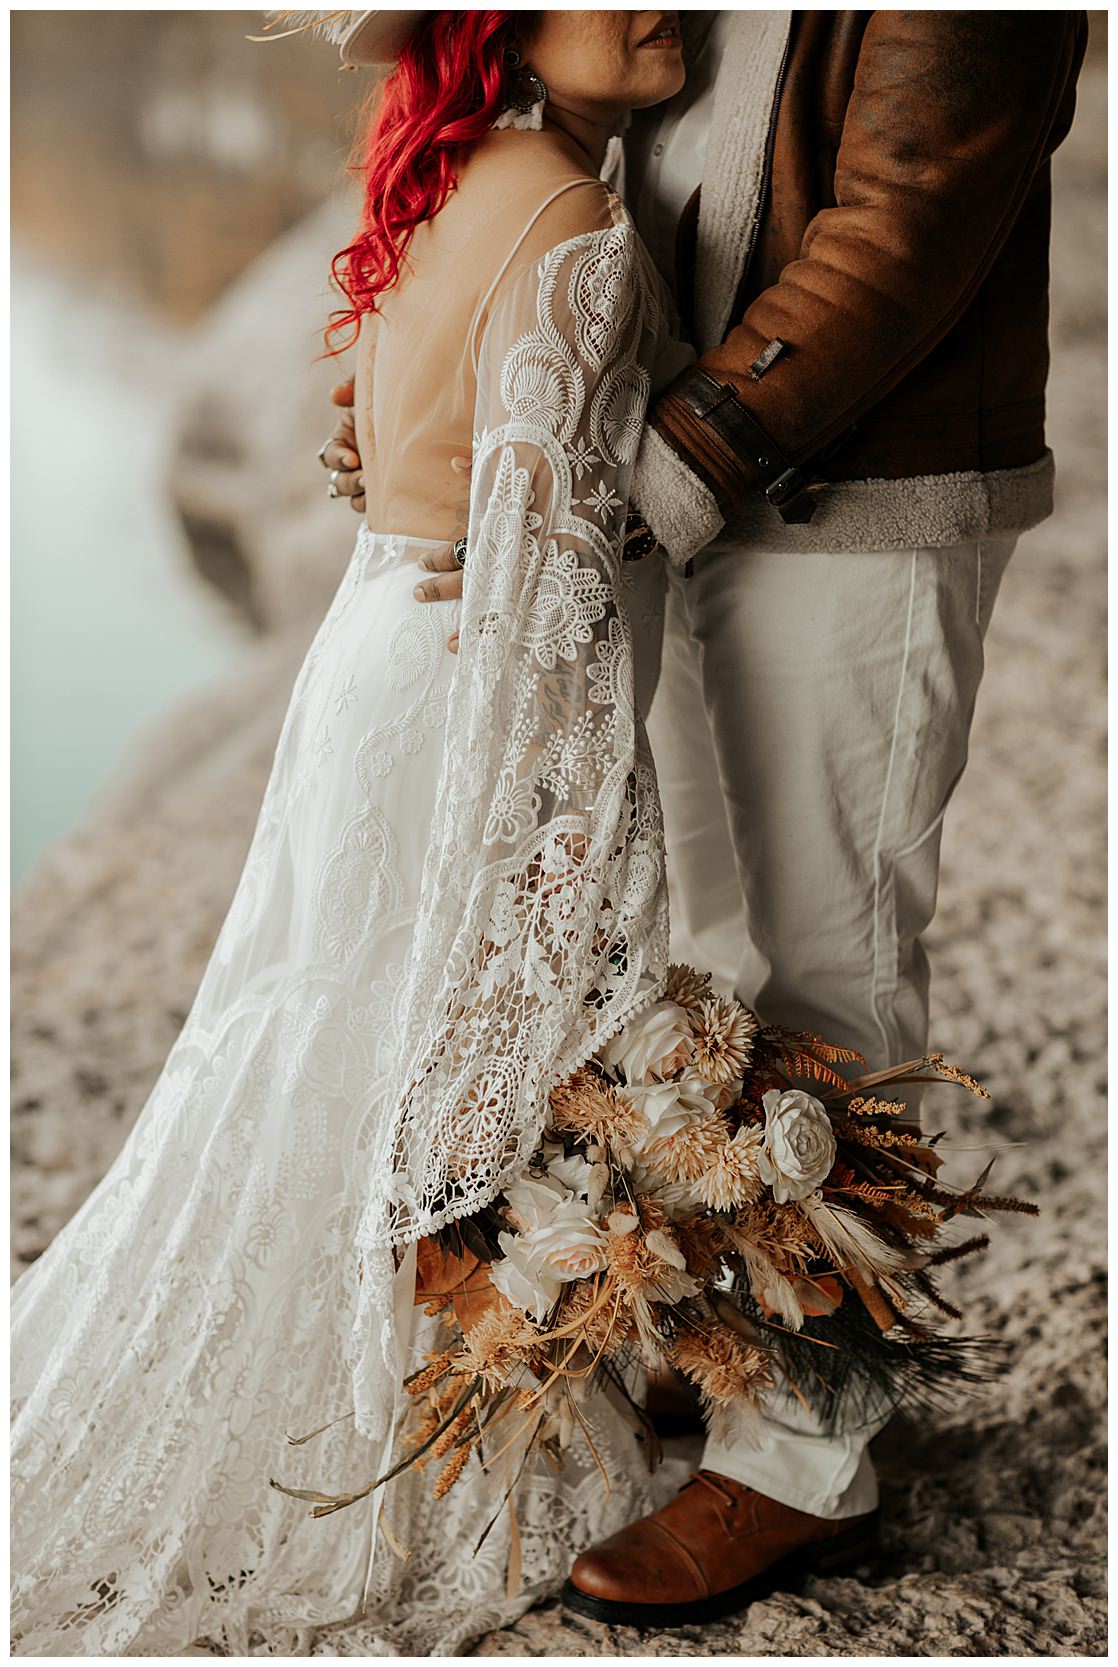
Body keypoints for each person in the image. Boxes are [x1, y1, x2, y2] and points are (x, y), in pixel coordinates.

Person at [318, 7, 1089, 1627]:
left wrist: (659, 468)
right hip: (665, 485)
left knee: (828, 957)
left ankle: (809, 1463)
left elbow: (912, 209)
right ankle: (744, 1337)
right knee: (703, 964)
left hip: (846, 499)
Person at [9, 12, 711, 1654]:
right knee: (430, 1018)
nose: (659, 4)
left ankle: (377, 1360)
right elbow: (543, 567)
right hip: (461, 667)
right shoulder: (581, 219)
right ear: (510, 25)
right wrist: (579, 839)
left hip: (374, 644)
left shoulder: (459, 175)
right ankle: (392, 1425)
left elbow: (419, 448)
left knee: (332, 1017)